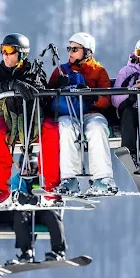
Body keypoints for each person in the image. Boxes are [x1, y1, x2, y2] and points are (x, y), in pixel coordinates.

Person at [0, 33, 61, 208]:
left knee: (51, 129)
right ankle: (0, 190)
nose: (5, 55)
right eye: (3, 50)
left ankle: (51, 186)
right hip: (8, 120)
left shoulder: (34, 70)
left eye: (10, 51)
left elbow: (42, 91)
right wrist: (11, 86)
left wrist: (31, 86)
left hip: (32, 120)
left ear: (22, 54)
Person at [49, 32, 116, 196]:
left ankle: (102, 178)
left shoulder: (98, 71)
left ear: (87, 51)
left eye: (75, 49)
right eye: (69, 49)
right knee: (65, 128)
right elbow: (47, 97)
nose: (70, 53)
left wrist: (93, 97)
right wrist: (57, 87)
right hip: (69, 112)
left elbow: (107, 100)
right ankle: (69, 178)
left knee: (98, 127)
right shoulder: (60, 71)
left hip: (90, 112)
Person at [9, 172, 66, 264]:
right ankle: (27, 251)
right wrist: (20, 197)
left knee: (53, 215)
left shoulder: (42, 178)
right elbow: (13, 191)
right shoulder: (16, 179)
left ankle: (58, 251)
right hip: (25, 209)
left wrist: (40, 198)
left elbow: (50, 191)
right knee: (19, 218)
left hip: (42, 208)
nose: (26, 171)